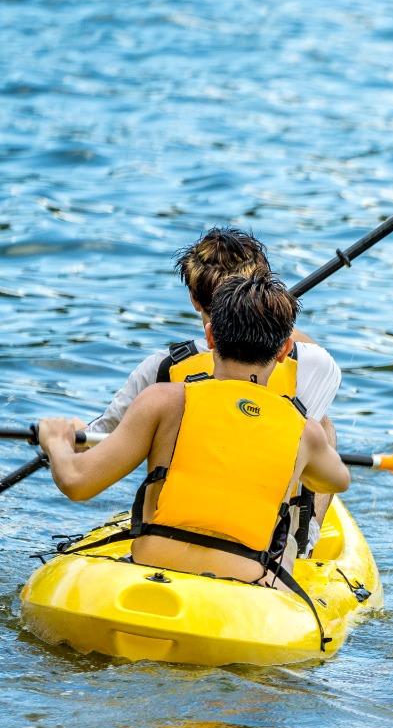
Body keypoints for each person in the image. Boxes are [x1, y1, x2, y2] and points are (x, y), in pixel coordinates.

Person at [37, 273, 350, 609]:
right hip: (245, 584)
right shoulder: (304, 430)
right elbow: (337, 481)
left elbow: (76, 482)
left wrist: (56, 441)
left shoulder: (162, 401)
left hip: (153, 565)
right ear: (285, 350)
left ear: (210, 336)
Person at [90, 227, 342, 552]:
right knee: (321, 426)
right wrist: (273, 317)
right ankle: (304, 539)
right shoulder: (315, 364)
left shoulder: (161, 368)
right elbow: (295, 346)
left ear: (194, 300)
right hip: (265, 549)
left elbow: (97, 440)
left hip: (169, 538)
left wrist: (63, 439)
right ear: (263, 288)